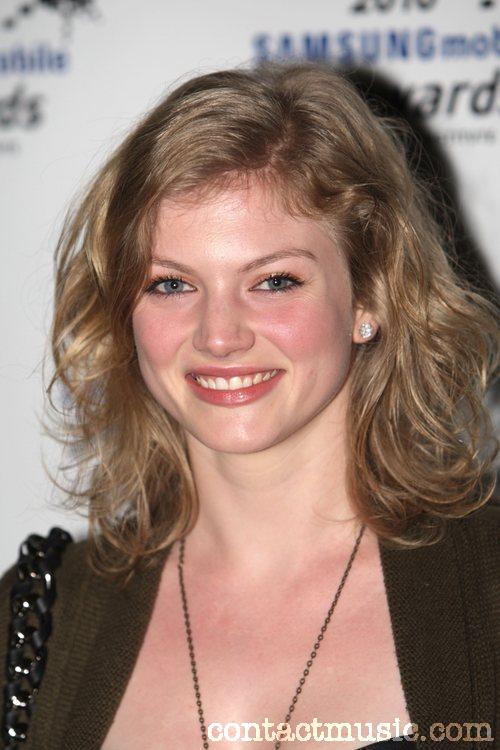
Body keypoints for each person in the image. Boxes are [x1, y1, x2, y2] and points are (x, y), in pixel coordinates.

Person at [1, 60, 499, 750]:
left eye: (273, 281)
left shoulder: (487, 584)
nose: (219, 336)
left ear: (369, 297)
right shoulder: (38, 618)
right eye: (171, 285)